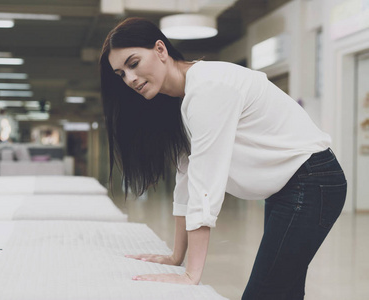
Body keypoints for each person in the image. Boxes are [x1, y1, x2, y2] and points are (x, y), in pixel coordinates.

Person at [99, 17, 347, 300]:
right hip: (291, 185)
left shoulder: (208, 88)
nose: (129, 79)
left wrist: (192, 275)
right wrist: (176, 256)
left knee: (266, 292)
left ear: (160, 49)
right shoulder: (180, 98)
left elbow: (206, 183)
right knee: (283, 290)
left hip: (312, 180)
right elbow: (186, 176)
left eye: (133, 63)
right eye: (121, 74)